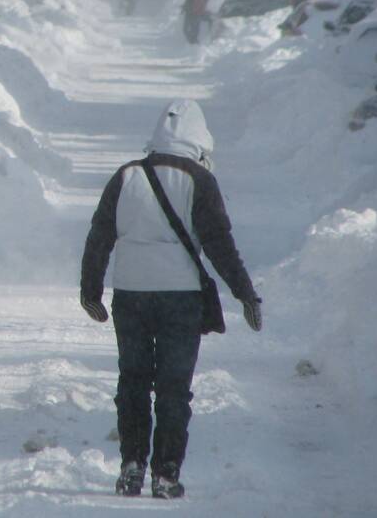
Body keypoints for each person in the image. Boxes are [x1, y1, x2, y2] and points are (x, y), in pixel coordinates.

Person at [79, 99, 262, 499]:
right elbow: (219, 245)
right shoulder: (199, 180)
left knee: (133, 381)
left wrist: (90, 290)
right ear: (200, 138)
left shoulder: (125, 176)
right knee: (174, 388)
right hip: (181, 299)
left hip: (131, 296)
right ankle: (165, 474)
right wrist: (245, 293)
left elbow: (99, 236)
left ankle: (131, 466)